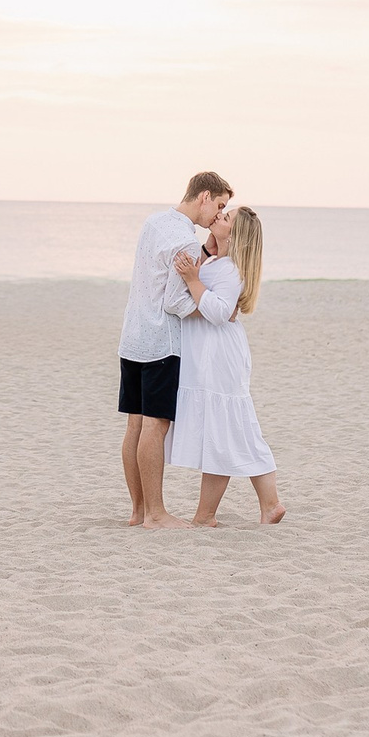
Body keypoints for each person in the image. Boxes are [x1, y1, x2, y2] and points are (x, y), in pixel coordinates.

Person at [118, 172, 232, 529]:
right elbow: (174, 302)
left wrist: (203, 254)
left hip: (132, 336)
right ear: (204, 196)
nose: (218, 215)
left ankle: (138, 512)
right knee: (156, 426)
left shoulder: (155, 222)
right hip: (161, 342)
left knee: (135, 424)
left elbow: (152, 275)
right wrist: (215, 308)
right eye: (219, 206)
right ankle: (156, 513)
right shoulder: (184, 240)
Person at [167, 206, 285, 525]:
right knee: (232, 432)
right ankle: (268, 503)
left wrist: (192, 279)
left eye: (226, 218)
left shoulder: (231, 269)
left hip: (219, 355)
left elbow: (219, 311)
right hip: (209, 353)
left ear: (235, 235)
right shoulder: (219, 261)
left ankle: (208, 515)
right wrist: (202, 260)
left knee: (227, 431)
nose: (219, 217)